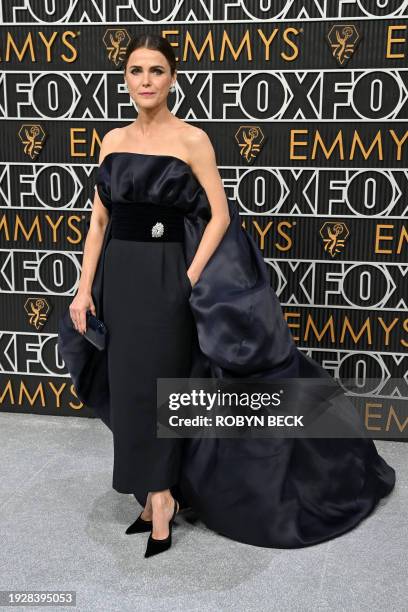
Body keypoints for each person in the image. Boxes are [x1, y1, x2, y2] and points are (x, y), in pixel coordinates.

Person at [66, 34, 396, 558]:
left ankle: (161, 499)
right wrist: (84, 288)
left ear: (172, 78)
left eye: (156, 71)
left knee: (165, 394)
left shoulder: (193, 140)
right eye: (135, 71)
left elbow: (220, 215)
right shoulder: (111, 140)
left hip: (167, 273)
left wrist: (188, 278)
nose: (145, 81)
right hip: (118, 280)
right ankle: (154, 496)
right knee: (130, 390)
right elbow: (99, 220)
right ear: (125, 78)